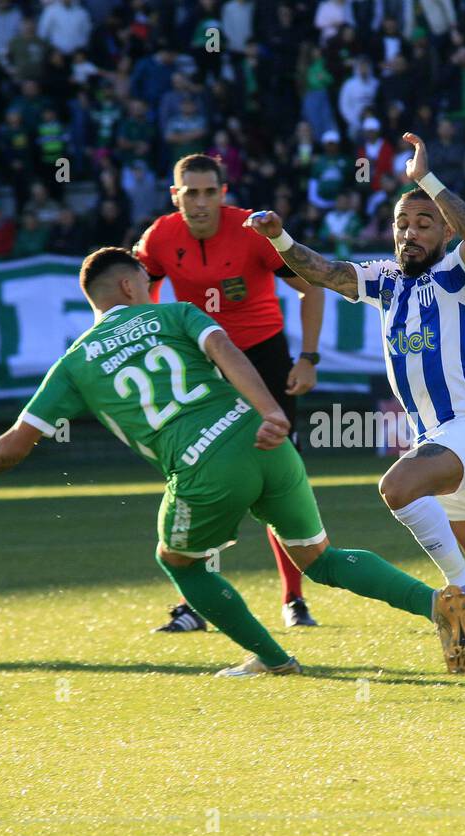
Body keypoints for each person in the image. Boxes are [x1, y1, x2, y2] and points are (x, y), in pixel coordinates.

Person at [0, 247, 465, 676]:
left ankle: (273, 660)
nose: (153, 284)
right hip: (263, 441)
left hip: (202, 464)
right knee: (319, 558)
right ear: (127, 287)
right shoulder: (175, 315)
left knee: (180, 562)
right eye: (147, 279)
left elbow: (19, 440)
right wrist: (271, 410)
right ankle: (435, 603)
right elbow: (226, 350)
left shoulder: (74, 362)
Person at [243, 132, 465, 663]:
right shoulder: (386, 281)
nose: (410, 232)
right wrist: (281, 239)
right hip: (441, 443)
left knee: (397, 486)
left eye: (424, 223)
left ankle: (459, 592)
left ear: (444, 231)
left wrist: (425, 180)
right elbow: (326, 272)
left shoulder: (456, 273)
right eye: (402, 224)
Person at [133, 153, 326, 632]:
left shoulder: (251, 231)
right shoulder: (159, 237)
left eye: (208, 192)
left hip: (265, 362)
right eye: (189, 193)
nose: (199, 203)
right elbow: (134, 290)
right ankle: (198, 606)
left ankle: (294, 600)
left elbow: (313, 288)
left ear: (223, 193)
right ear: (174, 196)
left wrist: (308, 359)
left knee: (276, 479)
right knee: (207, 481)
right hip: (207, 367)